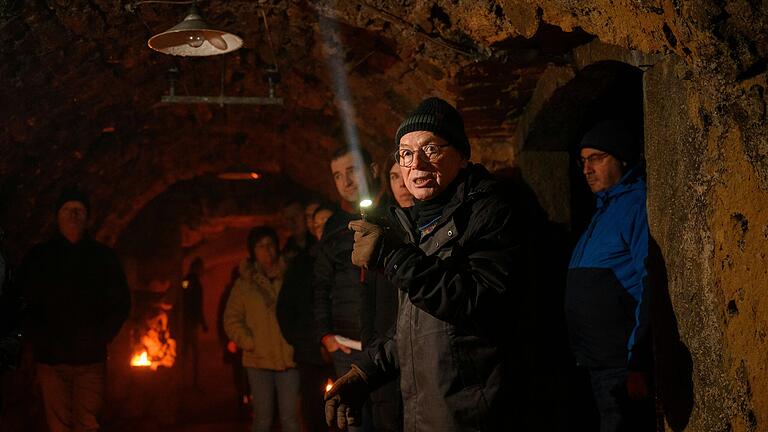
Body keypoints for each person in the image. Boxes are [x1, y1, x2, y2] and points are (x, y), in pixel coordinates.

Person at [326, 97, 528, 431]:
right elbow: (418, 326)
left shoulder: (490, 213)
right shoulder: (416, 225)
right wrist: (367, 371)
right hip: (426, 413)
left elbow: (480, 301)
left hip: (472, 414)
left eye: (431, 149)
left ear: (462, 157)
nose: (416, 164)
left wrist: (392, 257)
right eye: (405, 153)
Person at [17, 188, 131, 432]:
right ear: (57, 216)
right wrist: (39, 337)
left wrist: (101, 335)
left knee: (88, 423)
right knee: (58, 426)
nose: (73, 215)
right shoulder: (39, 258)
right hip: (51, 360)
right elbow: (21, 301)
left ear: (87, 217)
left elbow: (120, 302)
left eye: (79, 210)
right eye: (68, 210)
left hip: (90, 359)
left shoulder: (103, 258)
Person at [565, 120, 654, 432]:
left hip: (621, 366)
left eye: (597, 158)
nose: (587, 169)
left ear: (622, 159)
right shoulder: (603, 210)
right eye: (583, 160)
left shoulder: (634, 205)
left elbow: (649, 281)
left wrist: (638, 360)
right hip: (594, 361)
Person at [313, 146, 400, 432]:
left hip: (386, 342)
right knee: (355, 423)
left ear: (374, 170)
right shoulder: (334, 228)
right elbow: (321, 285)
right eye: (338, 175)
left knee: (390, 418)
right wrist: (327, 335)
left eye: (352, 171)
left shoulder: (396, 212)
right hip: (346, 345)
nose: (346, 181)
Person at [224, 226, 300, 432]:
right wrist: (250, 342)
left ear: (277, 247)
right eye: (260, 246)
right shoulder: (244, 285)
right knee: (262, 419)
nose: (266, 250)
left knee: (291, 419)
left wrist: (297, 341)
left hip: (289, 358)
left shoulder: (292, 277)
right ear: (253, 251)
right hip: (258, 360)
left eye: (270, 244)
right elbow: (231, 319)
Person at [277, 202, 337, 432]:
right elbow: (285, 308)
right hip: (310, 352)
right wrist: (303, 342)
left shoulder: (341, 258)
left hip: (342, 348)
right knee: (313, 411)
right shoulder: (300, 263)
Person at [181, 257, 208, 389]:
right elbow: (196, 305)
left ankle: (181, 381)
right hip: (191, 323)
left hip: (185, 322)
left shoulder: (185, 281)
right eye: (201, 268)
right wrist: (203, 323)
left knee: (185, 353)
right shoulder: (196, 284)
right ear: (197, 268)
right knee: (195, 353)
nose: (203, 270)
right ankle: (193, 383)